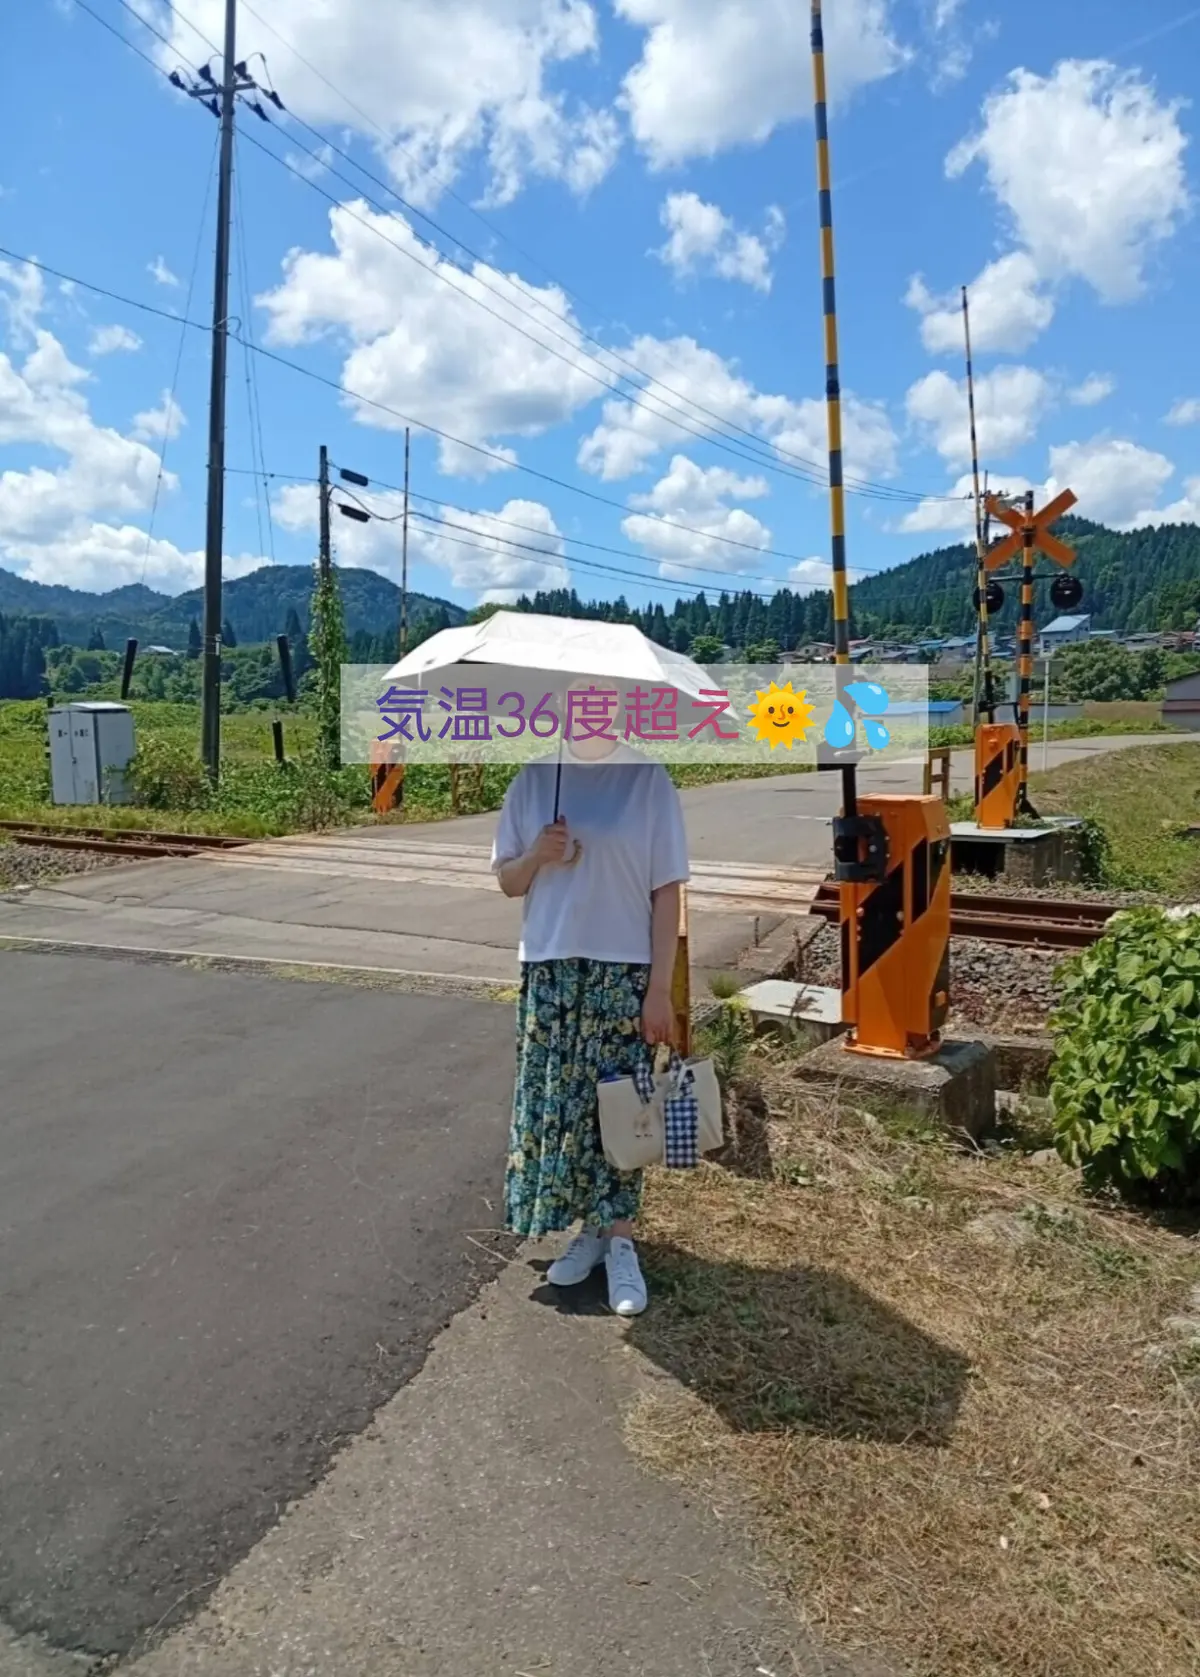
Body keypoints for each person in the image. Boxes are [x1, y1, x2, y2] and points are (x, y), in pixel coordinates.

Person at [492, 709, 689, 1316]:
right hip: (552, 968)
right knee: (567, 1109)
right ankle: (591, 1233)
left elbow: (668, 891)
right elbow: (507, 881)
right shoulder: (534, 778)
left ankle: (621, 1242)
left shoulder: (646, 778)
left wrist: (660, 989)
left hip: (623, 970)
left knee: (623, 1108)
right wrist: (538, 855)